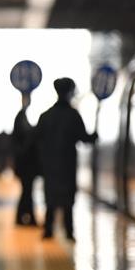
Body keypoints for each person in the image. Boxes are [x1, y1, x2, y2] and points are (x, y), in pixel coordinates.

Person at [36, 78, 97, 242]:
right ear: (69, 92)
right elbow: (85, 138)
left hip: (49, 166)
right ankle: (69, 231)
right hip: (68, 165)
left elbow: (35, 140)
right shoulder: (73, 116)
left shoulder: (45, 116)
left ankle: (48, 230)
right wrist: (95, 135)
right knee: (68, 200)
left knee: (50, 198)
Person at [12, 94, 40, 226]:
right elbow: (26, 140)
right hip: (26, 164)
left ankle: (26, 217)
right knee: (27, 191)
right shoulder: (21, 117)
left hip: (24, 164)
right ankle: (25, 217)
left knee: (27, 191)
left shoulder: (21, 116)